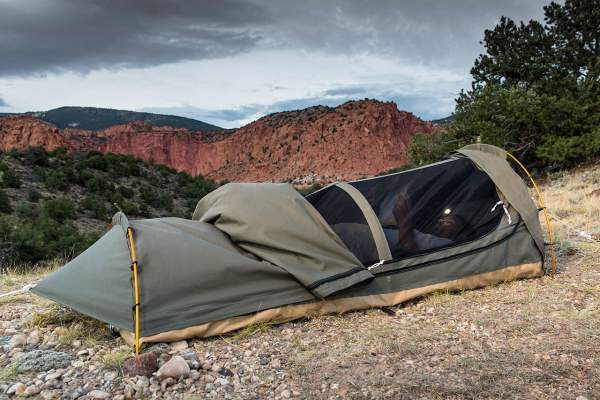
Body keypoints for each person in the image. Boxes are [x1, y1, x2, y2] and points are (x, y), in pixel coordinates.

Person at [388, 192, 465, 255]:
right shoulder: (425, 233)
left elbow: (411, 257)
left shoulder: (448, 245)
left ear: (459, 234)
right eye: (443, 219)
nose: (441, 221)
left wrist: (403, 221)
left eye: (450, 222)